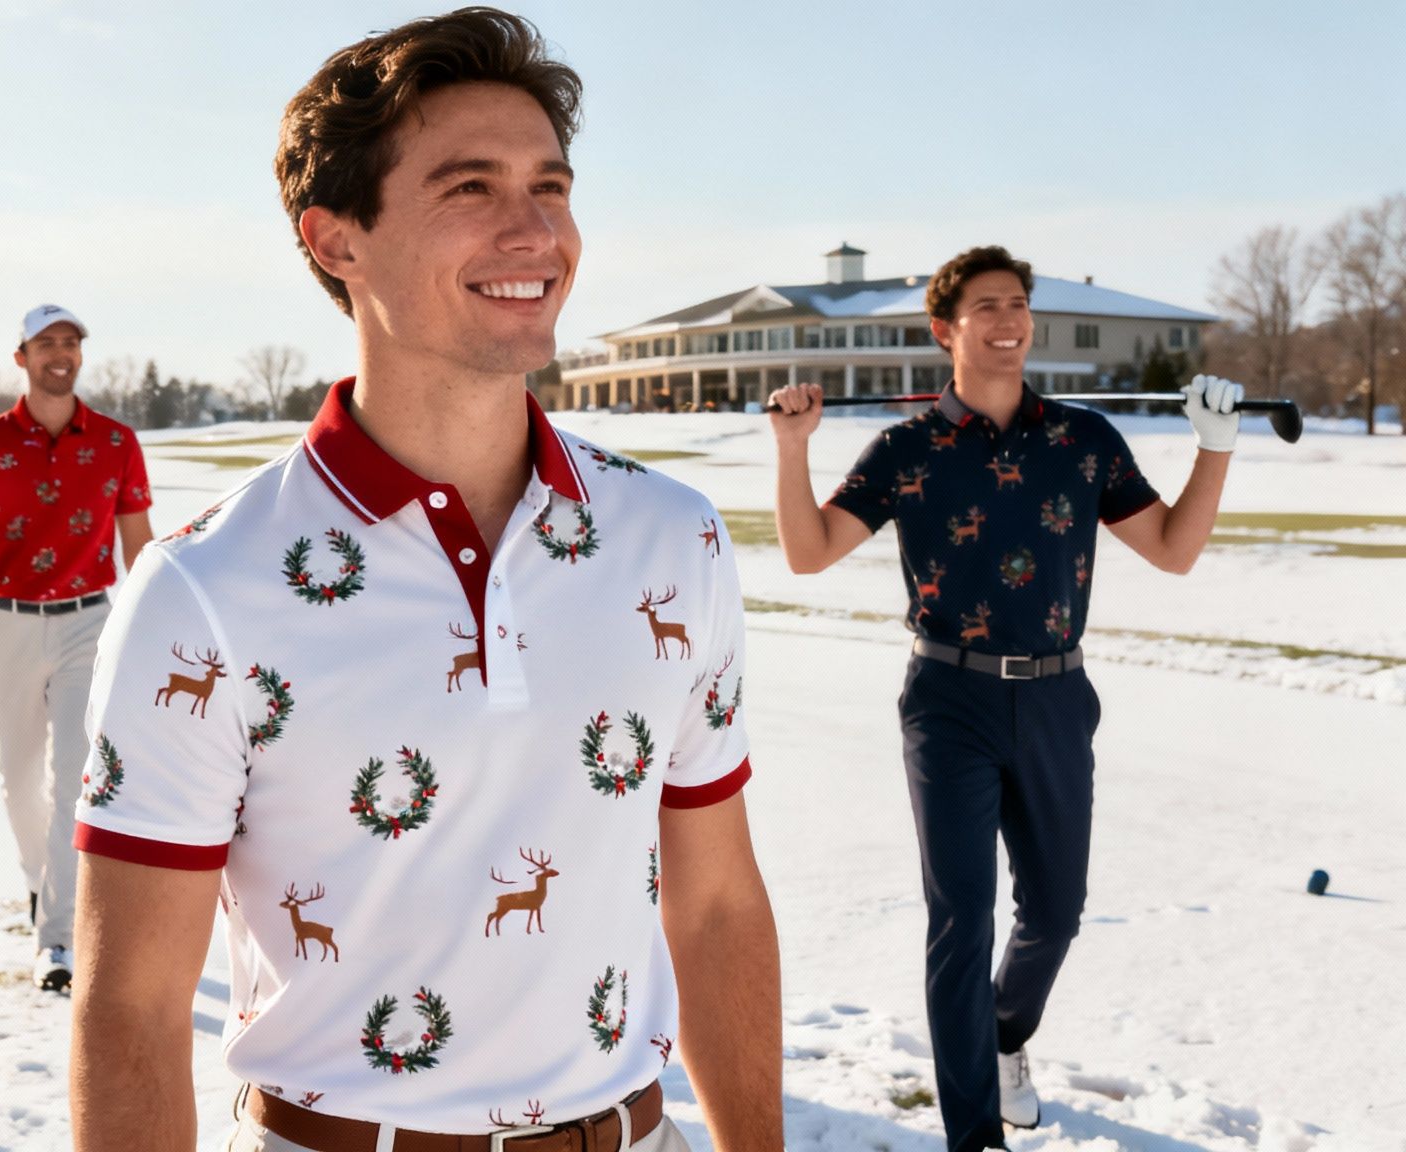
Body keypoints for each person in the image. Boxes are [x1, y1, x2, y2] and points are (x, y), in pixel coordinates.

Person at [68, 10, 782, 1151]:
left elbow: (715, 901)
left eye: (550, 186)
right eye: (470, 189)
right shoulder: (201, 588)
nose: (535, 230)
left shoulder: (673, 539)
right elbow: (133, 1006)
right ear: (335, 239)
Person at [766, 246, 1244, 1151]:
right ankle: (974, 1136)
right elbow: (809, 551)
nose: (1007, 319)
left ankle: (1005, 1034)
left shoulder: (1084, 439)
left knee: (1056, 911)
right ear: (945, 330)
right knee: (962, 917)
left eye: (1018, 304)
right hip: (948, 697)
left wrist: (1213, 451)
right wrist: (792, 451)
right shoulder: (905, 448)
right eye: (985, 306)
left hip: (1059, 700)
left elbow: (1176, 551)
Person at [0, 303, 153, 991]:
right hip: (10, 624)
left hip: (90, 621)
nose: (60, 353)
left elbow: (138, 543)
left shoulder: (118, 442)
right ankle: (45, 885)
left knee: (73, 775)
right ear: (22, 357)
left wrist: (149, 625)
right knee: (18, 779)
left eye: (70, 343)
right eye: (46, 343)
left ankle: (57, 938)